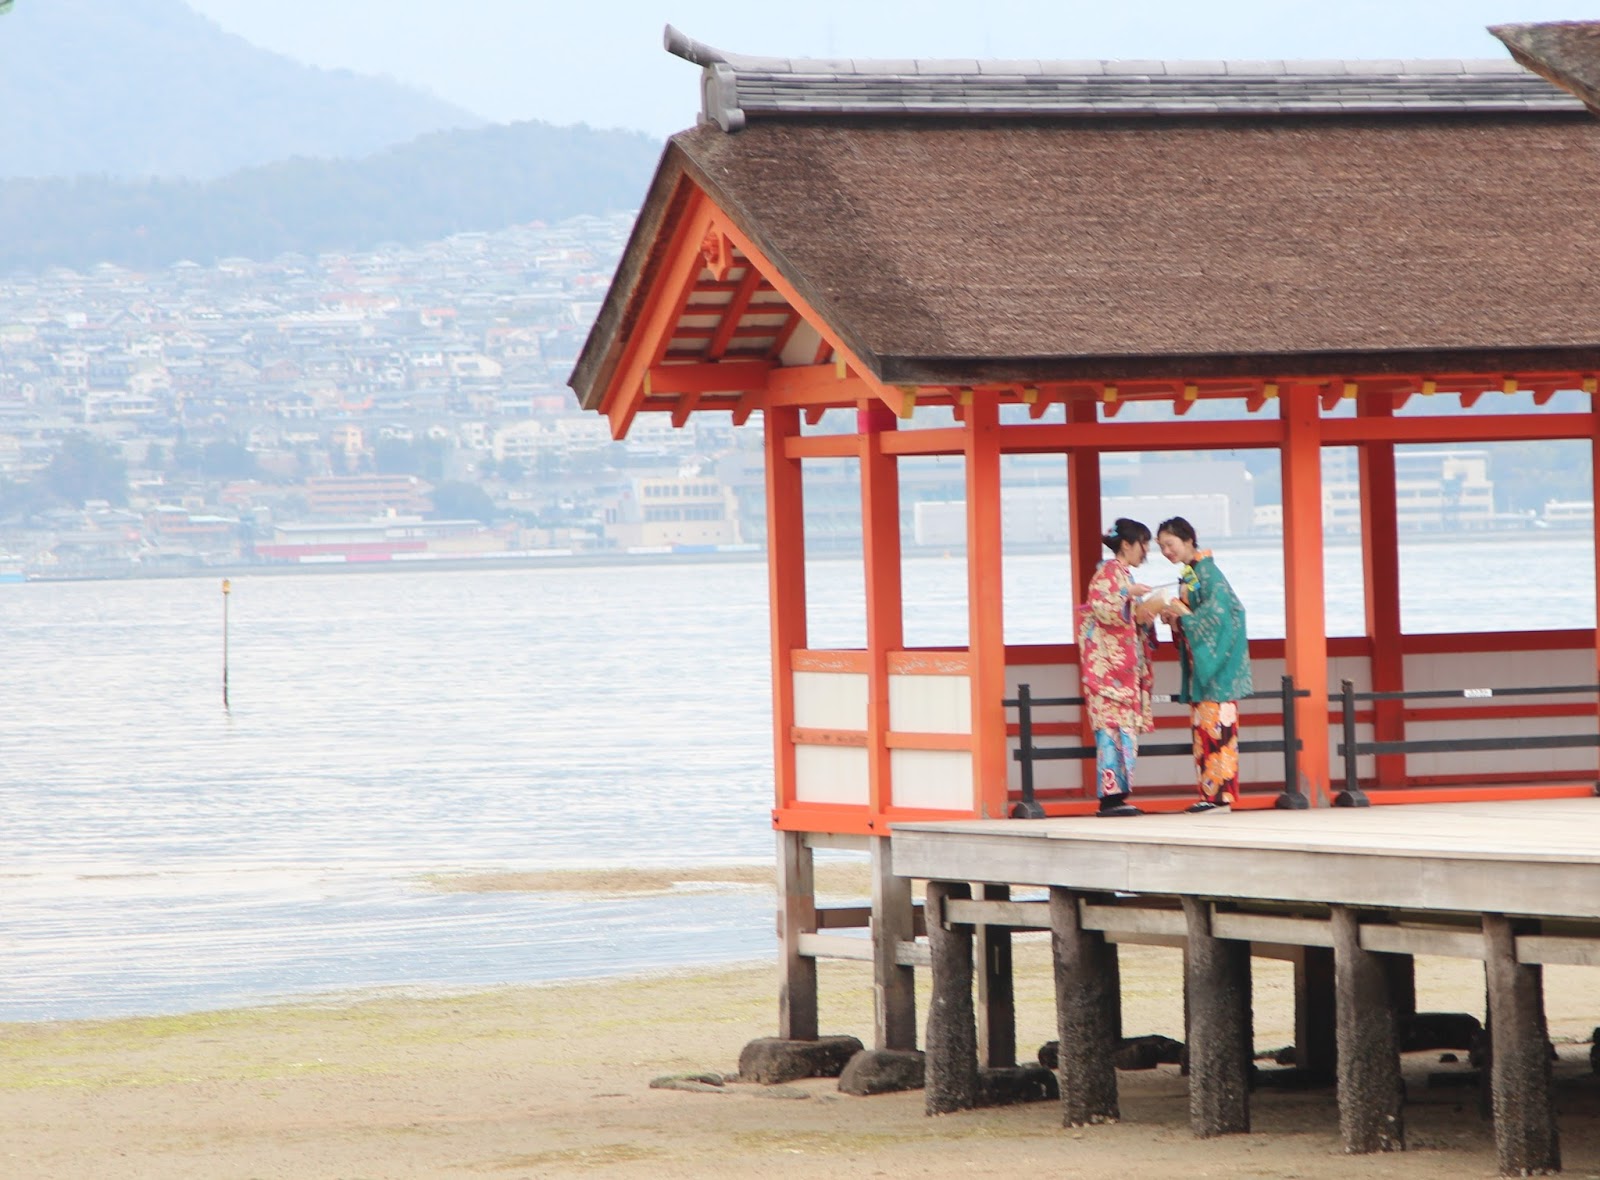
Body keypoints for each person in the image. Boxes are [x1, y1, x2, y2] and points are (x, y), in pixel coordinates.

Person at [1156, 516, 1254, 813]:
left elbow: (1220, 616)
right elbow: (1200, 615)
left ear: (1188, 540)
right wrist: (1176, 618)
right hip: (1205, 668)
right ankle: (1210, 795)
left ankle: (1219, 797)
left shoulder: (1207, 572)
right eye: (1161, 547)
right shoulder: (1193, 573)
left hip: (1217, 669)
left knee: (1216, 732)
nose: (1166, 551)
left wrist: (1183, 619)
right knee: (1205, 734)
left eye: (1170, 544)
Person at [1077, 518, 1161, 817]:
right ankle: (1110, 799)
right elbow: (1102, 608)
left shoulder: (1122, 575)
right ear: (1126, 544)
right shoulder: (1108, 573)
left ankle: (1119, 796)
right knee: (1111, 734)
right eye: (1143, 544)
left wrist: (1145, 614)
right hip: (1108, 672)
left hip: (1121, 672)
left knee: (1123, 734)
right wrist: (1128, 595)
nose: (1146, 551)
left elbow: (1126, 616)